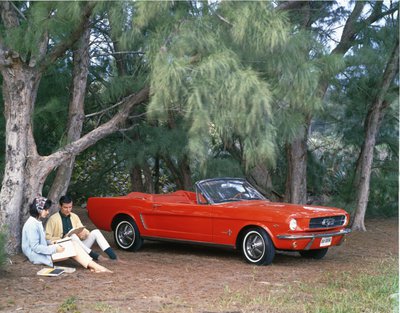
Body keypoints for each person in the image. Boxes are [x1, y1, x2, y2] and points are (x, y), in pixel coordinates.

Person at [22, 196, 112, 273]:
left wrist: (83, 234)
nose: (48, 212)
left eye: (70, 207)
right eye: (46, 210)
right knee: (72, 245)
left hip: (50, 249)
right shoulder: (32, 225)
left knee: (74, 243)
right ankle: (95, 266)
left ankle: (94, 266)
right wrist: (55, 247)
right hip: (39, 256)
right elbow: (35, 247)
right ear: (39, 209)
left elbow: (43, 241)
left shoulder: (36, 222)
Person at [45, 195, 118, 261]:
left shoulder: (74, 216)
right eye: (65, 207)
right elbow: (47, 238)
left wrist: (84, 233)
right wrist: (62, 238)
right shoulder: (53, 219)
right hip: (63, 248)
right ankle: (94, 256)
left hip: (78, 247)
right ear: (60, 206)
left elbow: (82, 230)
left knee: (95, 232)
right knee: (72, 236)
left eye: (70, 207)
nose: (68, 210)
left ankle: (113, 256)